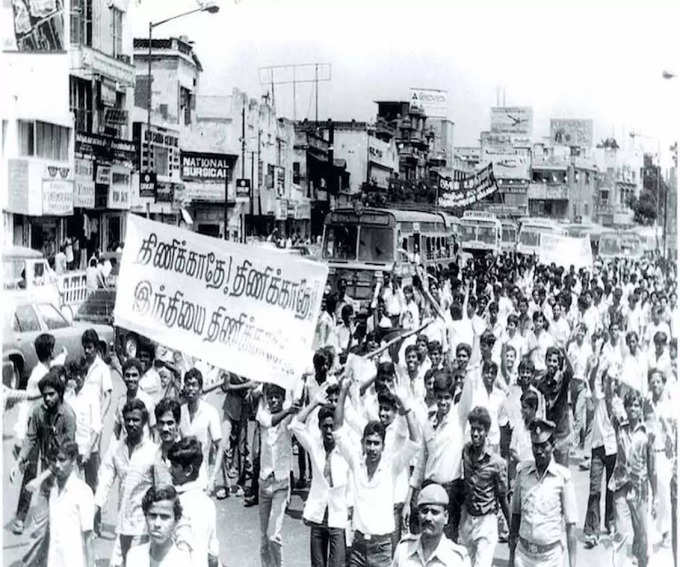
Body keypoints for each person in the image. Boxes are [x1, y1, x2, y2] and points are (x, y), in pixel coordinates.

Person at [334, 377, 420, 566]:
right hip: (357, 545)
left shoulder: (392, 466)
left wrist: (404, 404)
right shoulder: (356, 463)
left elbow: (415, 441)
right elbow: (338, 430)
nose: (372, 448)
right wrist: (342, 393)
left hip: (382, 547)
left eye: (376, 443)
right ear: (362, 443)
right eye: (369, 443)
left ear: (383, 445)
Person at [289, 386, 350, 567]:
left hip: (339, 515)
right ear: (320, 427)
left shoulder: (346, 450)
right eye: (325, 427)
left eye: (332, 426)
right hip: (318, 515)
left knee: (337, 564)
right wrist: (315, 402)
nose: (329, 431)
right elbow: (295, 425)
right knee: (317, 565)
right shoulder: (315, 447)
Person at [94, 399, 158, 566]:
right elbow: (105, 479)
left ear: (144, 422)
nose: (131, 424)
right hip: (123, 521)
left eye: (135, 420)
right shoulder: (116, 449)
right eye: (128, 419)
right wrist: (95, 507)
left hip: (145, 524)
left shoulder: (153, 452)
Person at [508, 418, 578, 567]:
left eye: (543, 446)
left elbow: (571, 526)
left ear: (553, 446)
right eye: (535, 446)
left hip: (550, 559)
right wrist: (511, 559)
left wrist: (573, 564)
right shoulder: (523, 473)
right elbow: (515, 516)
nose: (538, 451)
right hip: (523, 557)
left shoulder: (562, 478)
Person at [256, 383, 301, 567]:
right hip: (264, 482)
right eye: (270, 396)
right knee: (264, 536)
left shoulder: (290, 418)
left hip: (281, 483)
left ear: (283, 398)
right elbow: (269, 421)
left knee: (274, 535)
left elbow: (296, 415)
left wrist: (295, 404)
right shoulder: (262, 414)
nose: (273, 400)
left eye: (277, 396)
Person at [459, 407, 509, 567]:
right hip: (468, 519)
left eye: (479, 430)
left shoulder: (497, 463)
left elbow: (502, 496)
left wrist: (511, 526)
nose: (475, 434)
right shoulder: (465, 452)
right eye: (473, 429)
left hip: (486, 521)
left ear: (486, 431)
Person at [168, 437, 220, 567]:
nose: (170, 470)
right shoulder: (208, 503)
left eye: (175, 466)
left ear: (188, 470)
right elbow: (213, 553)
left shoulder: (177, 503)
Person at [391, 483, 471, 567]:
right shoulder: (404, 550)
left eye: (435, 512)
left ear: (446, 517)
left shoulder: (456, 559)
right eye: (424, 511)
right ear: (418, 515)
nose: (428, 518)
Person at [46, 440, 95, 567]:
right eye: (55, 460)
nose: (57, 465)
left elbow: (88, 539)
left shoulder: (83, 492)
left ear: (73, 461)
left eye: (62, 460)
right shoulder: (53, 491)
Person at [125, 485, 191, 567]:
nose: (157, 524)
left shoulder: (182, 562)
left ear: (176, 521)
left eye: (165, 517)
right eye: (152, 515)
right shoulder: (134, 556)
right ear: (146, 517)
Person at [179, 368, 223, 491]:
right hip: (180, 477)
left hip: (201, 478)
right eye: (188, 385)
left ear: (200, 388)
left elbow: (220, 447)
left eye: (194, 385)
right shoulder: (180, 411)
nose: (191, 389)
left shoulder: (210, 412)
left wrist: (213, 478)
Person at [81, 328, 113, 492]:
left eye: (90, 347)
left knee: (92, 461)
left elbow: (108, 396)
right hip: (81, 421)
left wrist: (99, 418)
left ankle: (96, 511)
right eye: (85, 347)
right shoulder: (83, 365)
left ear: (96, 348)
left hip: (94, 421)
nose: (87, 351)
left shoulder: (102, 369)